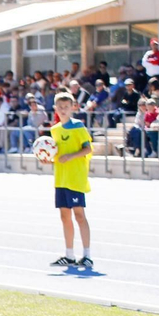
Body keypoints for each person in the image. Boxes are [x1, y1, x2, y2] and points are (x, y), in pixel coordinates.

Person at [47, 91, 93, 269]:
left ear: (72, 107)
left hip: (75, 178)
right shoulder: (55, 130)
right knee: (64, 216)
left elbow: (87, 149)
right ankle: (69, 255)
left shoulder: (78, 126)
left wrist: (71, 156)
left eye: (66, 107)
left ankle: (87, 255)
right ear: (55, 108)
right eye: (60, 107)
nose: (63, 110)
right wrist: (47, 159)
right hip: (61, 178)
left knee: (79, 215)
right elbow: (56, 153)